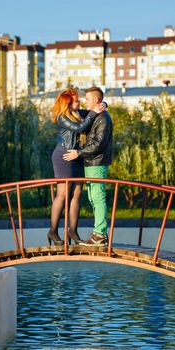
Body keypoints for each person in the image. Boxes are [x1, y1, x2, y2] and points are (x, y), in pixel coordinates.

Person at [48, 88, 106, 246]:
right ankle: (53, 231)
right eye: (75, 100)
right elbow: (80, 128)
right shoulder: (62, 117)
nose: (79, 101)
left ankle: (72, 231)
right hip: (64, 157)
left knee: (77, 194)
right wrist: (94, 112)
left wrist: (103, 104)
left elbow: (96, 105)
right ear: (67, 103)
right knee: (63, 194)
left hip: (77, 155)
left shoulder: (79, 113)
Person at [63, 86, 113, 247]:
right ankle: (98, 233)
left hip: (97, 162)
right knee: (94, 197)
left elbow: (99, 144)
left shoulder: (103, 118)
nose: (85, 101)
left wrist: (78, 153)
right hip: (92, 162)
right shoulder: (94, 114)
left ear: (96, 100)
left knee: (98, 197)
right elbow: (80, 118)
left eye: (88, 99)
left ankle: (100, 235)